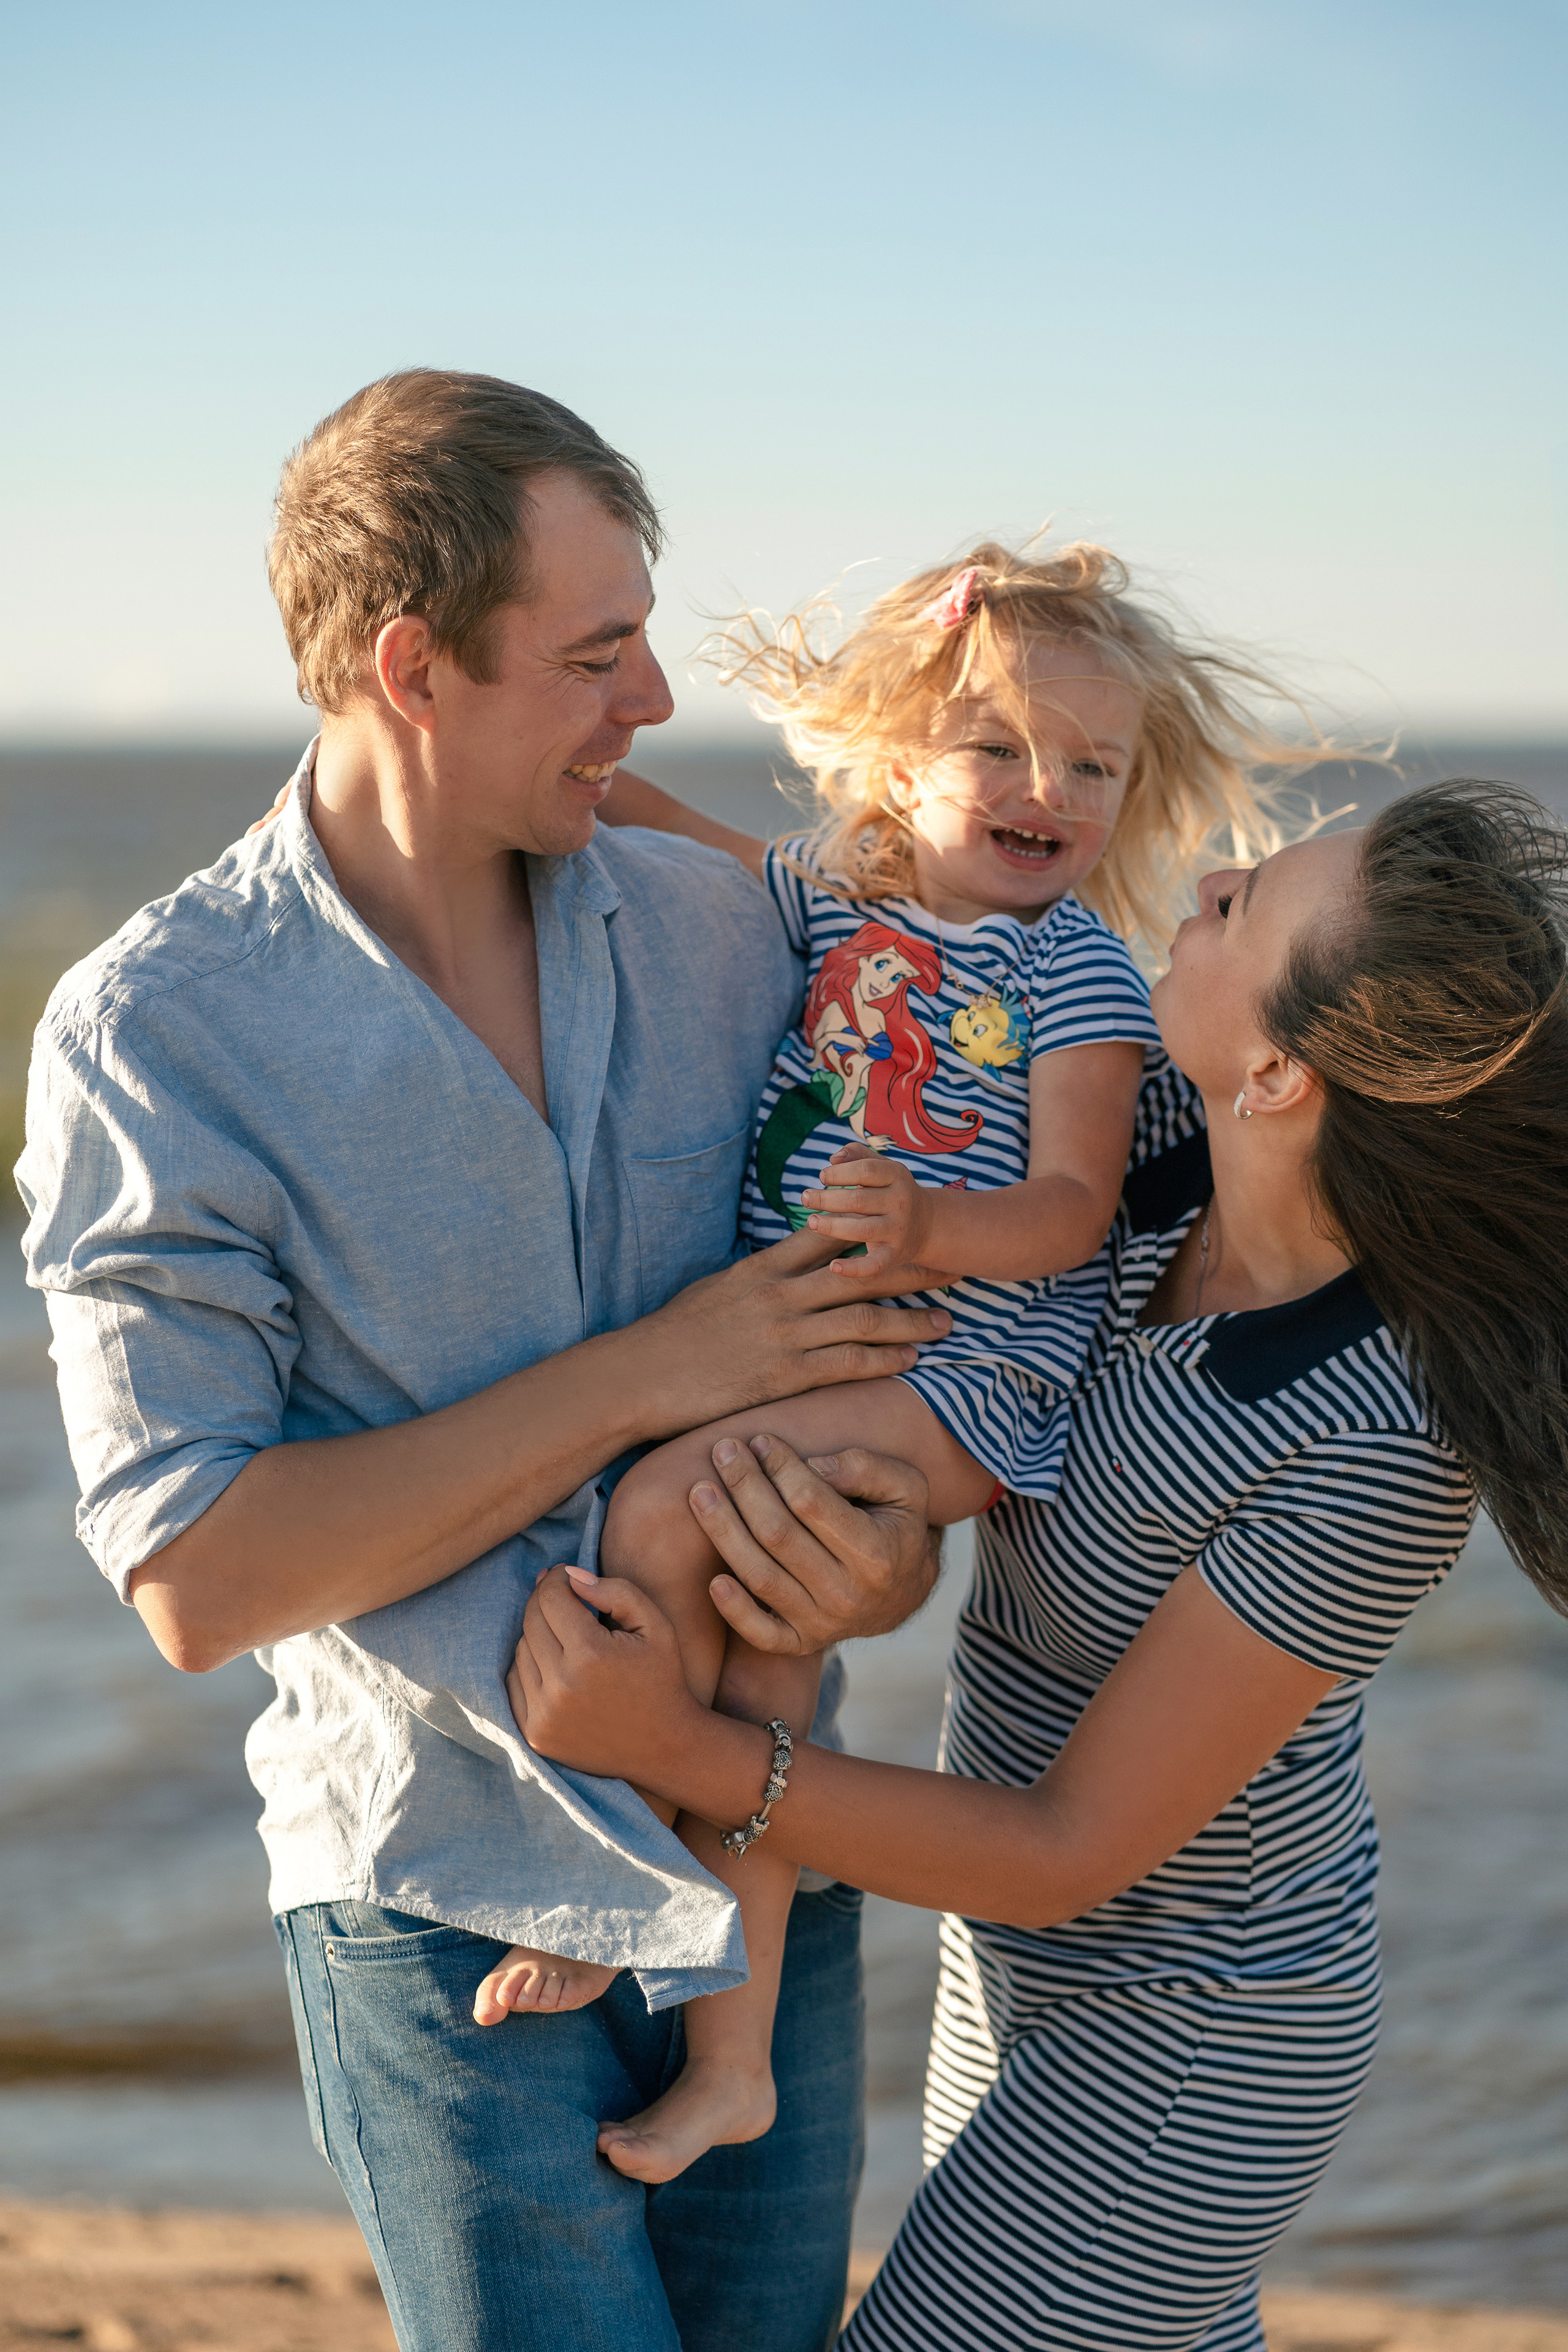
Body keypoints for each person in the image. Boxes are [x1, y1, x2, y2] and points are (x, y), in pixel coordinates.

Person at [14, 368, 951, 2352]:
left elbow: (879, 1350)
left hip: (764, 1856)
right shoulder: (156, 1039)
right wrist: (648, 1373)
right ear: (413, 664)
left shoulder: (730, 937)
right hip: (439, 1893)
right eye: (599, 657)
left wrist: (886, 1556)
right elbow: (197, 1573)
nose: (656, 707)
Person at [502, 778, 1568, 2351]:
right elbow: (906, 955)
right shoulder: (1145, 1163)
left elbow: (1070, 1843)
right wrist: (579, 792)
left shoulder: (1370, 1442)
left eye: (1244, 901)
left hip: (1193, 2042)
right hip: (1008, 1976)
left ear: (1278, 1068)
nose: (1201, 883)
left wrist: (675, 1751)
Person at [474, 540, 1344, 2188]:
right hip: (820, 1341)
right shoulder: (839, 896)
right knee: (751, 1622)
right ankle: (729, 2054)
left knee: (668, 1521)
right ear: (893, 756)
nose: (1053, 790)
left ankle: (607, 1893)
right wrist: (561, 782)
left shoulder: (1074, 967)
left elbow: (1077, 1210)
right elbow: (700, 849)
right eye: (1000, 746)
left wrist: (936, 1230)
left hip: (963, 1371)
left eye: (1094, 764)